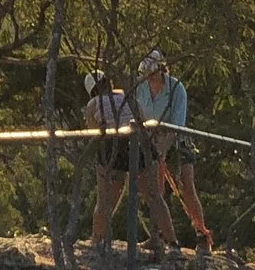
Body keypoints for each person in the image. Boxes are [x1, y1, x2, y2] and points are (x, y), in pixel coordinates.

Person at [130, 47, 214, 255]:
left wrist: (163, 150)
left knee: (186, 185)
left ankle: (201, 234)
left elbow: (177, 125)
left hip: (175, 139)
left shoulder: (176, 89)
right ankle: (157, 235)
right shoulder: (140, 88)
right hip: (150, 139)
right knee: (153, 188)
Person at [82, 69, 138, 250]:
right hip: (129, 146)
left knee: (103, 199)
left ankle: (97, 238)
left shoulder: (93, 104)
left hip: (107, 148)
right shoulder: (125, 96)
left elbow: (93, 131)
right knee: (115, 195)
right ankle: (101, 236)